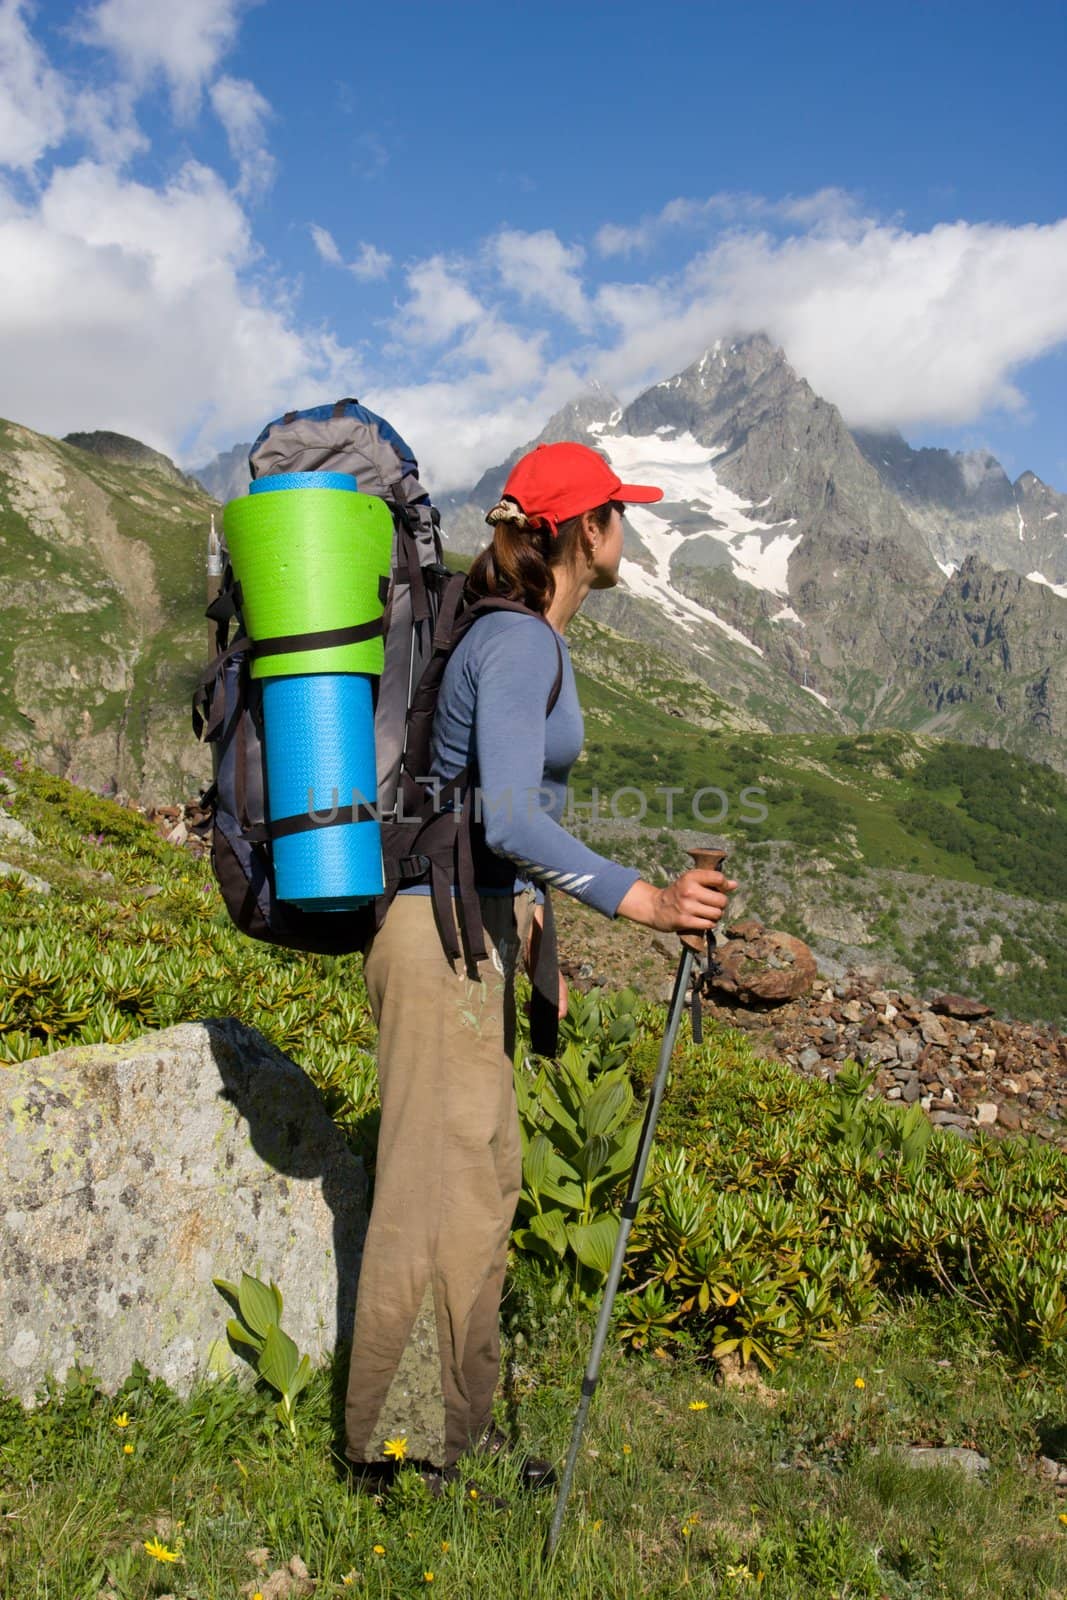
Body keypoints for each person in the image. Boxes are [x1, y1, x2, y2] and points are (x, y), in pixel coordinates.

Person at [343, 440, 738, 1494]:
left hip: (462, 928)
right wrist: (639, 898)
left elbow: (493, 811)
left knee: (478, 1183)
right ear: (583, 532)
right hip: (438, 940)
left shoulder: (514, 635)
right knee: (438, 1196)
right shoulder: (518, 644)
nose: (628, 529)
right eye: (618, 510)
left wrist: (527, 923)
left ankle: (448, 1438)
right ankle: (395, 1457)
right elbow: (510, 813)